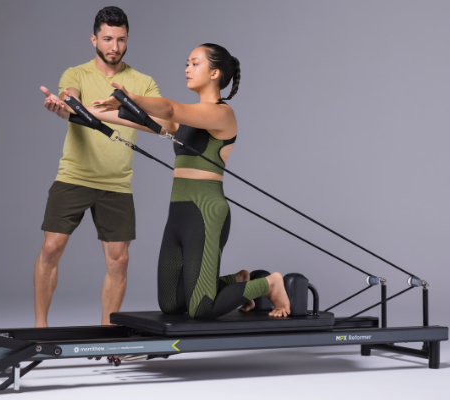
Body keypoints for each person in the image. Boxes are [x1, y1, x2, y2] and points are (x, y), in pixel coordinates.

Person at [48, 44, 291, 319]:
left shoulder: (222, 114)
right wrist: (70, 111)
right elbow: (122, 118)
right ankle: (239, 280)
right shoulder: (187, 120)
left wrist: (131, 97)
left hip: (206, 211)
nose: (187, 68)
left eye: (195, 63)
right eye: (187, 63)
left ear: (215, 73)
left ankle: (270, 283)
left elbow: (170, 110)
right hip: (179, 212)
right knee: (171, 302)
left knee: (200, 307)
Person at [36, 6, 161, 327]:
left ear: (127, 39)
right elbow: (70, 101)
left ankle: (108, 331)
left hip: (116, 184)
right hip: (74, 177)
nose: (114, 47)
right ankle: (39, 327)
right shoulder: (76, 73)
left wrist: (125, 102)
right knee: (51, 249)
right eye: (107, 39)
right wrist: (61, 105)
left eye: (120, 39)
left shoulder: (141, 82)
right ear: (94, 39)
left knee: (119, 262)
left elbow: (161, 124)